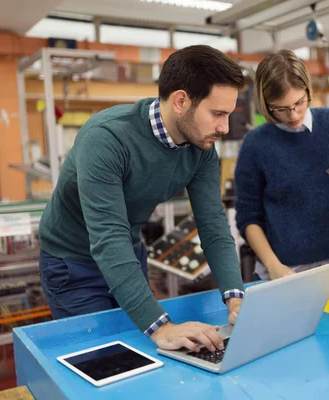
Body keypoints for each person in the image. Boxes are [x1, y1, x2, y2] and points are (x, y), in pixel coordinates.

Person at [38, 45, 245, 353]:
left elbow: (213, 222)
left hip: (129, 254)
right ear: (180, 101)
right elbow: (108, 238)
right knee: (102, 360)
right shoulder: (107, 139)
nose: (224, 128)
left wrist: (235, 296)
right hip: (73, 263)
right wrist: (163, 328)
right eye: (217, 114)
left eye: (228, 115)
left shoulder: (200, 147)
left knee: (140, 351)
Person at [234, 49, 329, 281]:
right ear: (266, 104)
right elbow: (248, 218)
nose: (293, 115)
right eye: (280, 108)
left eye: (299, 102)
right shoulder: (256, 144)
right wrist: (273, 266)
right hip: (289, 272)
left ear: (308, 91)